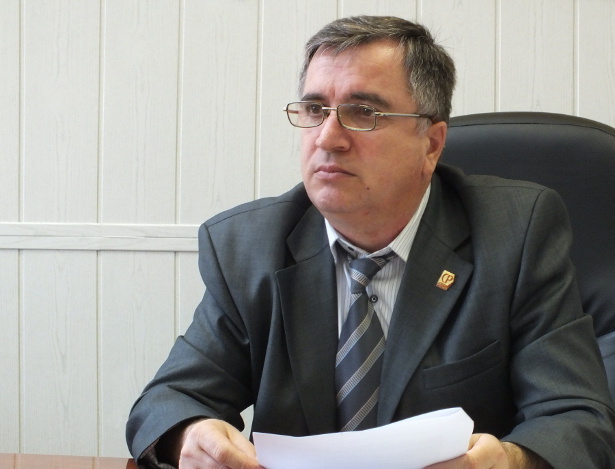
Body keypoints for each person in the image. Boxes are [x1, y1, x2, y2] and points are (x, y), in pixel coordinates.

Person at [126, 15, 615, 469]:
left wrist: (511, 460)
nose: (328, 137)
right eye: (315, 109)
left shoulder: (515, 234)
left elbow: (577, 417)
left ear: (431, 143)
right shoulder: (247, 245)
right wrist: (192, 433)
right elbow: (169, 399)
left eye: (363, 113)